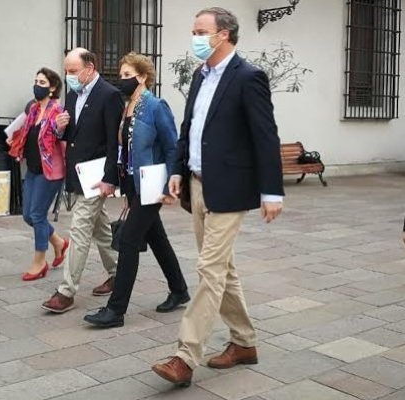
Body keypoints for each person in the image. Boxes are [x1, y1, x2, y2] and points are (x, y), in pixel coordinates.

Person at [151, 7, 284, 386]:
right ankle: (244, 342)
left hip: (230, 189)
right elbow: (189, 127)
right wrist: (176, 170)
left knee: (208, 269)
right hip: (196, 184)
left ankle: (184, 356)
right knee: (223, 269)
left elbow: (265, 135)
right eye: (193, 30)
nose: (194, 36)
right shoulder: (200, 75)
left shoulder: (248, 77)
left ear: (223, 34)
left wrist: (272, 191)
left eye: (200, 30)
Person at [83, 53, 190, 328]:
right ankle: (179, 289)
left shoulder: (155, 106)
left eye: (128, 75)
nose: (123, 80)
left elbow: (170, 146)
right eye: (121, 75)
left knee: (129, 241)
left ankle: (115, 310)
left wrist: (170, 184)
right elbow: (122, 148)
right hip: (132, 184)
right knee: (156, 237)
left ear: (142, 77)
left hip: (151, 184)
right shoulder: (126, 106)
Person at [41, 48, 124, 313]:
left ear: (90, 68)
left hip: (96, 176)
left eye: (73, 71)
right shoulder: (74, 94)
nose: (69, 76)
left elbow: (114, 142)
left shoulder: (109, 95)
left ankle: (66, 291)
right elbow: (71, 137)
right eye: (67, 71)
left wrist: (110, 178)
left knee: (79, 230)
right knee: (101, 229)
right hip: (77, 175)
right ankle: (118, 273)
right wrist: (61, 127)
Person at [7, 68, 69, 281]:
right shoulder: (32, 110)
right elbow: (24, 132)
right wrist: (14, 139)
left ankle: (39, 261)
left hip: (50, 171)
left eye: (42, 82)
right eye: (35, 81)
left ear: (52, 88)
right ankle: (59, 243)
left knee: (38, 215)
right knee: (27, 216)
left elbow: (61, 136)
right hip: (33, 169)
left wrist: (61, 130)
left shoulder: (57, 112)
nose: (37, 85)